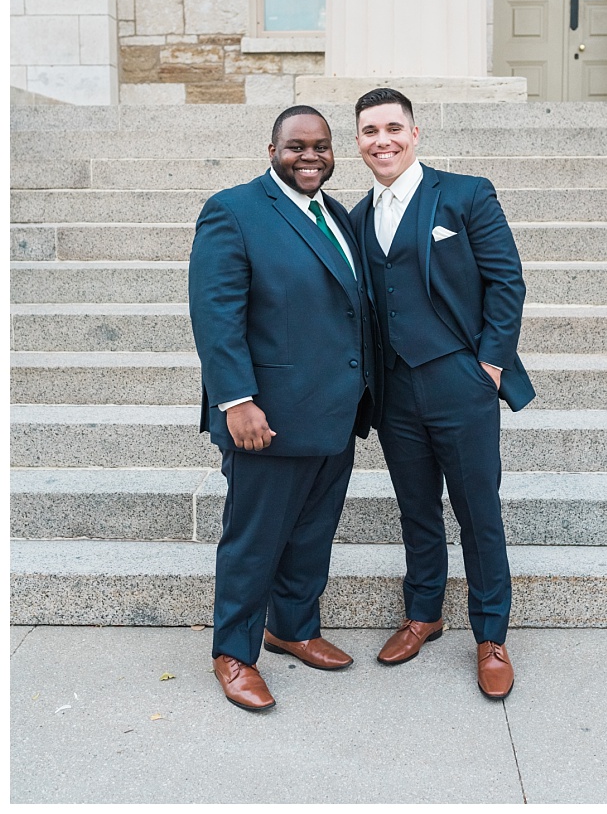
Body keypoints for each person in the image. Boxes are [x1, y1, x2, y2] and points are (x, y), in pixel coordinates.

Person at [349, 87, 534, 699]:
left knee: (478, 511)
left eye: (393, 128)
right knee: (416, 507)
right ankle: (424, 612)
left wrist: (490, 364)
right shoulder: (354, 217)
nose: (384, 140)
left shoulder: (465, 194)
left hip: (461, 380)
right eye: (370, 131)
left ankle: (491, 636)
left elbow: (507, 281)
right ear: (358, 142)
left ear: (415, 132)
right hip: (396, 390)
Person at [189, 105, 376, 711]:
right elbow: (217, 317)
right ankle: (235, 653)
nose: (311, 156)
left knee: (312, 533)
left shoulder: (337, 215)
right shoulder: (234, 211)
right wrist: (237, 401)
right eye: (297, 146)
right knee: (254, 540)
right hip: (265, 418)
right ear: (272, 150)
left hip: (334, 412)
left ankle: (292, 627)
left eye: (321, 146)